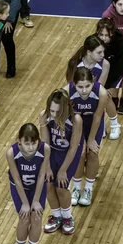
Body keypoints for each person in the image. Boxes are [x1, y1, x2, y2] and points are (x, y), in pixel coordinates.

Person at [6, 123, 49, 244]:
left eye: (34, 143)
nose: (30, 147)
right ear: (19, 142)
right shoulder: (11, 153)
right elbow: (16, 179)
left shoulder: (45, 149)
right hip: (20, 189)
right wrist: (25, 202)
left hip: (37, 187)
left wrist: (36, 200)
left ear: (38, 141)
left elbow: (42, 175)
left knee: (36, 217)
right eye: (27, 143)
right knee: (24, 218)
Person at [40, 89, 83, 236]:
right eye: (51, 110)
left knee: (61, 186)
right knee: (48, 183)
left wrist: (63, 170)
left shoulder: (76, 119)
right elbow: (45, 143)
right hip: (52, 152)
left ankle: (67, 217)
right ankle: (56, 215)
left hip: (68, 154)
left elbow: (73, 147)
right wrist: (48, 167)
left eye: (57, 112)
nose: (54, 114)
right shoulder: (44, 116)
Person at [64, 68, 107, 207]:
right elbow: (68, 118)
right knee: (79, 154)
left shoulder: (101, 92)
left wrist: (90, 139)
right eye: (80, 87)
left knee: (93, 153)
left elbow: (97, 116)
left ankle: (88, 188)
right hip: (76, 124)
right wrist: (80, 140)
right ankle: (76, 188)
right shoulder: (67, 93)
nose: (84, 90)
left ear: (92, 82)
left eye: (87, 86)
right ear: (74, 84)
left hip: (93, 124)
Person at [95, 18, 123, 140]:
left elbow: (121, 66)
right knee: (97, 98)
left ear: (112, 34)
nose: (103, 38)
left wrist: (107, 84)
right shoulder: (93, 41)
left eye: (106, 35)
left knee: (106, 97)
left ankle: (115, 125)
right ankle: (101, 125)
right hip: (99, 72)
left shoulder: (119, 43)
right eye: (101, 34)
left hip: (115, 72)